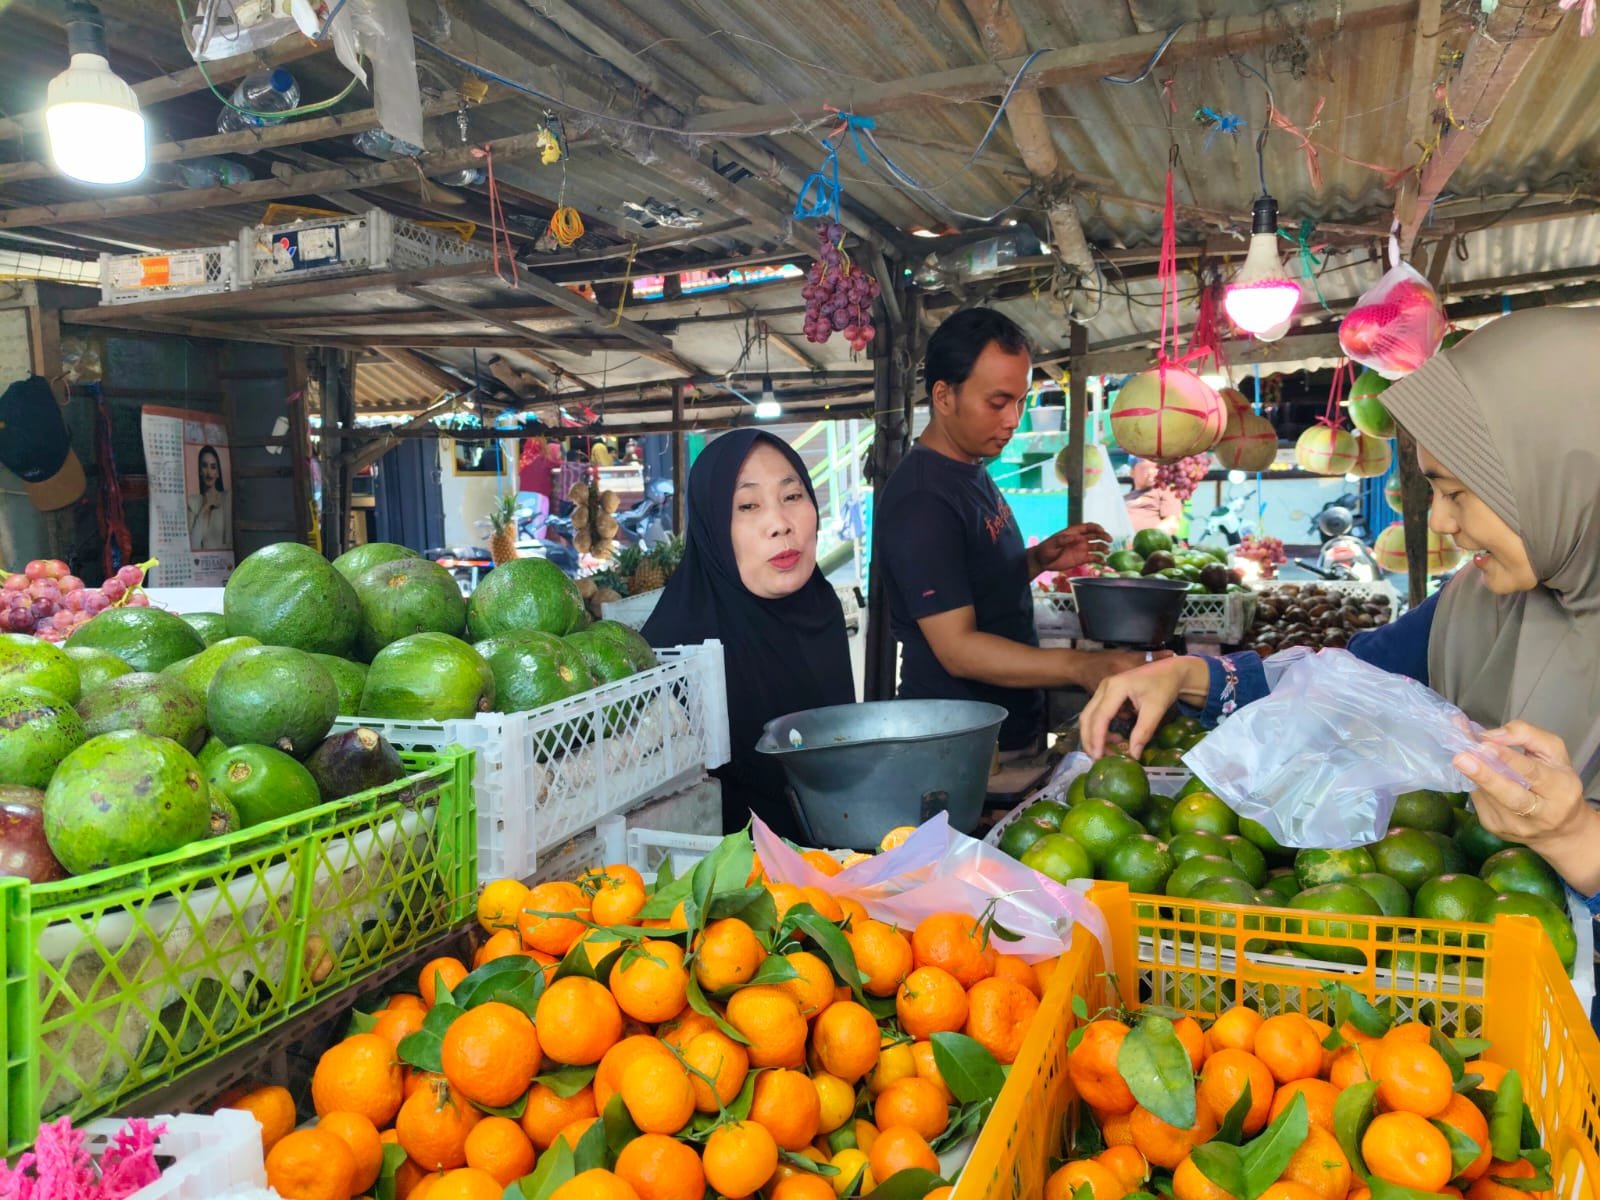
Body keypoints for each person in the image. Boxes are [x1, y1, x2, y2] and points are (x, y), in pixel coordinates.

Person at [1081, 307, 1600, 891]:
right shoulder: (1474, 601)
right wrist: (1187, 676)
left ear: (1567, 478)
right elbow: (1345, 689)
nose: (1443, 522)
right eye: (1434, 491)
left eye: (1457, 492)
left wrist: (1576, 838)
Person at [874, 308, 1162, 754]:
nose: (1013, 419)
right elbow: (958, 648)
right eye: (997, 402)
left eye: (1021, 400)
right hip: (956, 746)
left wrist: (1036, 561)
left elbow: (970, 581)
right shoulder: (922, 499)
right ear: (944, 396)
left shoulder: (968, 467)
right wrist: (1080, 666)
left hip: (1005, 731)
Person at [641, 429, 852, 838]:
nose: (780, 524)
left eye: (792, 497)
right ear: (713, 527)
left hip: (838, 864)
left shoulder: (819, 606)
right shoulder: (676, 649)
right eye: (748, 505)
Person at [187, 444, 231, 549]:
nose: (209, 472)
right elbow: (194, 544)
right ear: (199, 471)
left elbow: (230, 543)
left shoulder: (227, 498)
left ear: (218, 473)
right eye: (204, 466)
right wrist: (206, 506)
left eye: (213, 467)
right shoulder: (192, 502)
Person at [1125, 458, 1184, 535]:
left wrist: (1145, 539)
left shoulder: (1165, 491)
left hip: (1148, 544)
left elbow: (1171, 523)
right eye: (1145, 468)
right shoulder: (1123, 498)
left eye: (1155, 468)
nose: (1151, 472)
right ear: (1132, 472)